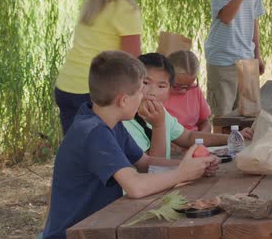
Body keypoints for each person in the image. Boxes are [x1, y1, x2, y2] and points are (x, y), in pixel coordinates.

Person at [43, 51, 219, 239]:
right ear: (124, 100)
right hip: (75, 234)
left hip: (101, 225)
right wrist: (183, 173)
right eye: (140, 92)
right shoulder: (93, 132)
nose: (145, 96)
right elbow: (135, 186)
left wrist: (195, 166)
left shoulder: (108, 122)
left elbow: (145, 162)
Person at [54, 0, 144, 135]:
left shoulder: (93, 4)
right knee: (98, 154)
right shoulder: (126, 9)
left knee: (76, 153)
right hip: (95, 91)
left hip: (67, 86)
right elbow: (131, 62)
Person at [124, 53, 252, 159]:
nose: (152, 92)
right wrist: (159, 125)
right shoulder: (126, 122)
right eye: (146, 83)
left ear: (169, 89)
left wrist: (232, 137)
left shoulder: (160, 111)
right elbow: (152, 167)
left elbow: (188, 137)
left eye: (161, 86)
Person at [204, 0, 265, 119]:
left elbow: (254, 18)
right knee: (223, 118)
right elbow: (226, 17)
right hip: (223, 59)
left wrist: (258, 55)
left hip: (247, 58)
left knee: (249, 116)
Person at [165, 50, 211, 133]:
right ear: (166, 75)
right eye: (177, 86)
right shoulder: (158, 93)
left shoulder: (195, 89)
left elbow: (205, 121)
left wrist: (201, 136)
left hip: (194, 140)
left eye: (188, 86)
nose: (184, 90)